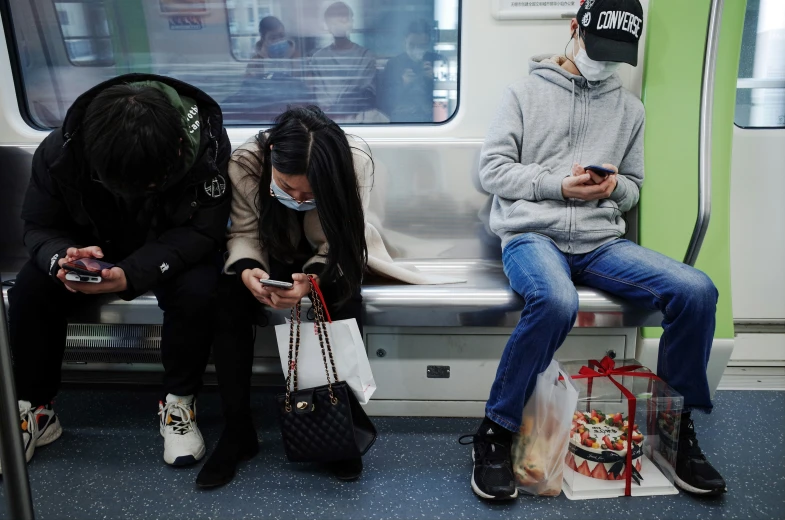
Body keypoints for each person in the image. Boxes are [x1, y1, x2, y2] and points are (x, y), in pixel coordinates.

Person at [469, 0, 727, 501]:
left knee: (697, 290)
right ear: (574, 29)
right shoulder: (523, 93)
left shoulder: (630, 108)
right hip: (532, 235)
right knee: (556, 301)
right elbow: (493, 171)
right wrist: (557, 187)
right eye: (598, 48)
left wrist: (612, 190)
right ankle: (495, 432)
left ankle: (673, 431)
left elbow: (634, 186)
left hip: (600, 242)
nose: (605, 62)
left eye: (616, 55)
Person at [1, 74, 231, 475]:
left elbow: (203, 230)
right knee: (29, 289)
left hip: (169, 245)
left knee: (200, 287)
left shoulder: (207, 149)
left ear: (177, 148)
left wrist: (132, 274)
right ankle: (36, 409)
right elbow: (37, 225)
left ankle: (179, 402)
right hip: (91, 247)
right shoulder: (62, 151)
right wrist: (61, 258)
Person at [309, 2, 377, 120]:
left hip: (360, 120)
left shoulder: (365, 57)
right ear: (327, 24)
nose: (341, 20)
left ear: (351, 22)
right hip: (327, 122)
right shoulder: (318, 59)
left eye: (345, 16)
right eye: (334, 18)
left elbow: (367, 96)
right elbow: (319, 100)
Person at [379, 19, 441, 123]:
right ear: (404, 42)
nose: (416, 49)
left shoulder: (437, 61)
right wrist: (403, 83)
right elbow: (384, 101)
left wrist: (433, 80)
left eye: (421, 46)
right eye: (412, 45)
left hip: (432, 117)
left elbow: (446, 97)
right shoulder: (394, 64)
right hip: (402, 117)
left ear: (428, 44)